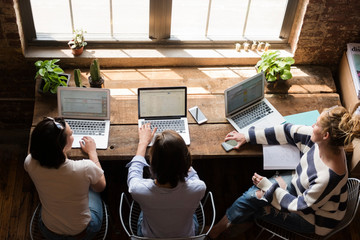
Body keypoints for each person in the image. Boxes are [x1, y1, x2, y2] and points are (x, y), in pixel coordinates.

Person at [209, 105, 360, 239]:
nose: (313, 125)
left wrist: (269, 187)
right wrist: (248, 136)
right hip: (300, 188)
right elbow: (287, 131)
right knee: (253, 197)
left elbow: (300, 205)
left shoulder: (328, 177)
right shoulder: (321, 140)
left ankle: (218, 232)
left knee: (256, 203)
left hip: (311, 217)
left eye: (317, 124)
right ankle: (224, 230)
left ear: (325, 135)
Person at [25, 117, 106, 240]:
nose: (73, 135)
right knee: (92, 189)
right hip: (84, 232)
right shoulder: (85, 168)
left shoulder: (29, 162)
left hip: (48, 230)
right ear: (62, 145)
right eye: (71, 134)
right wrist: (92, 153)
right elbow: (100, 186)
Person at [127, 124, 206, 238]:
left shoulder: (138, 190)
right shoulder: (199, 188)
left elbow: (134, 170)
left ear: (152, 165)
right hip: (186, 236)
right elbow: (191, 173)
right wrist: (177, 157)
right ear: (186, 160)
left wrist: (143, 143)